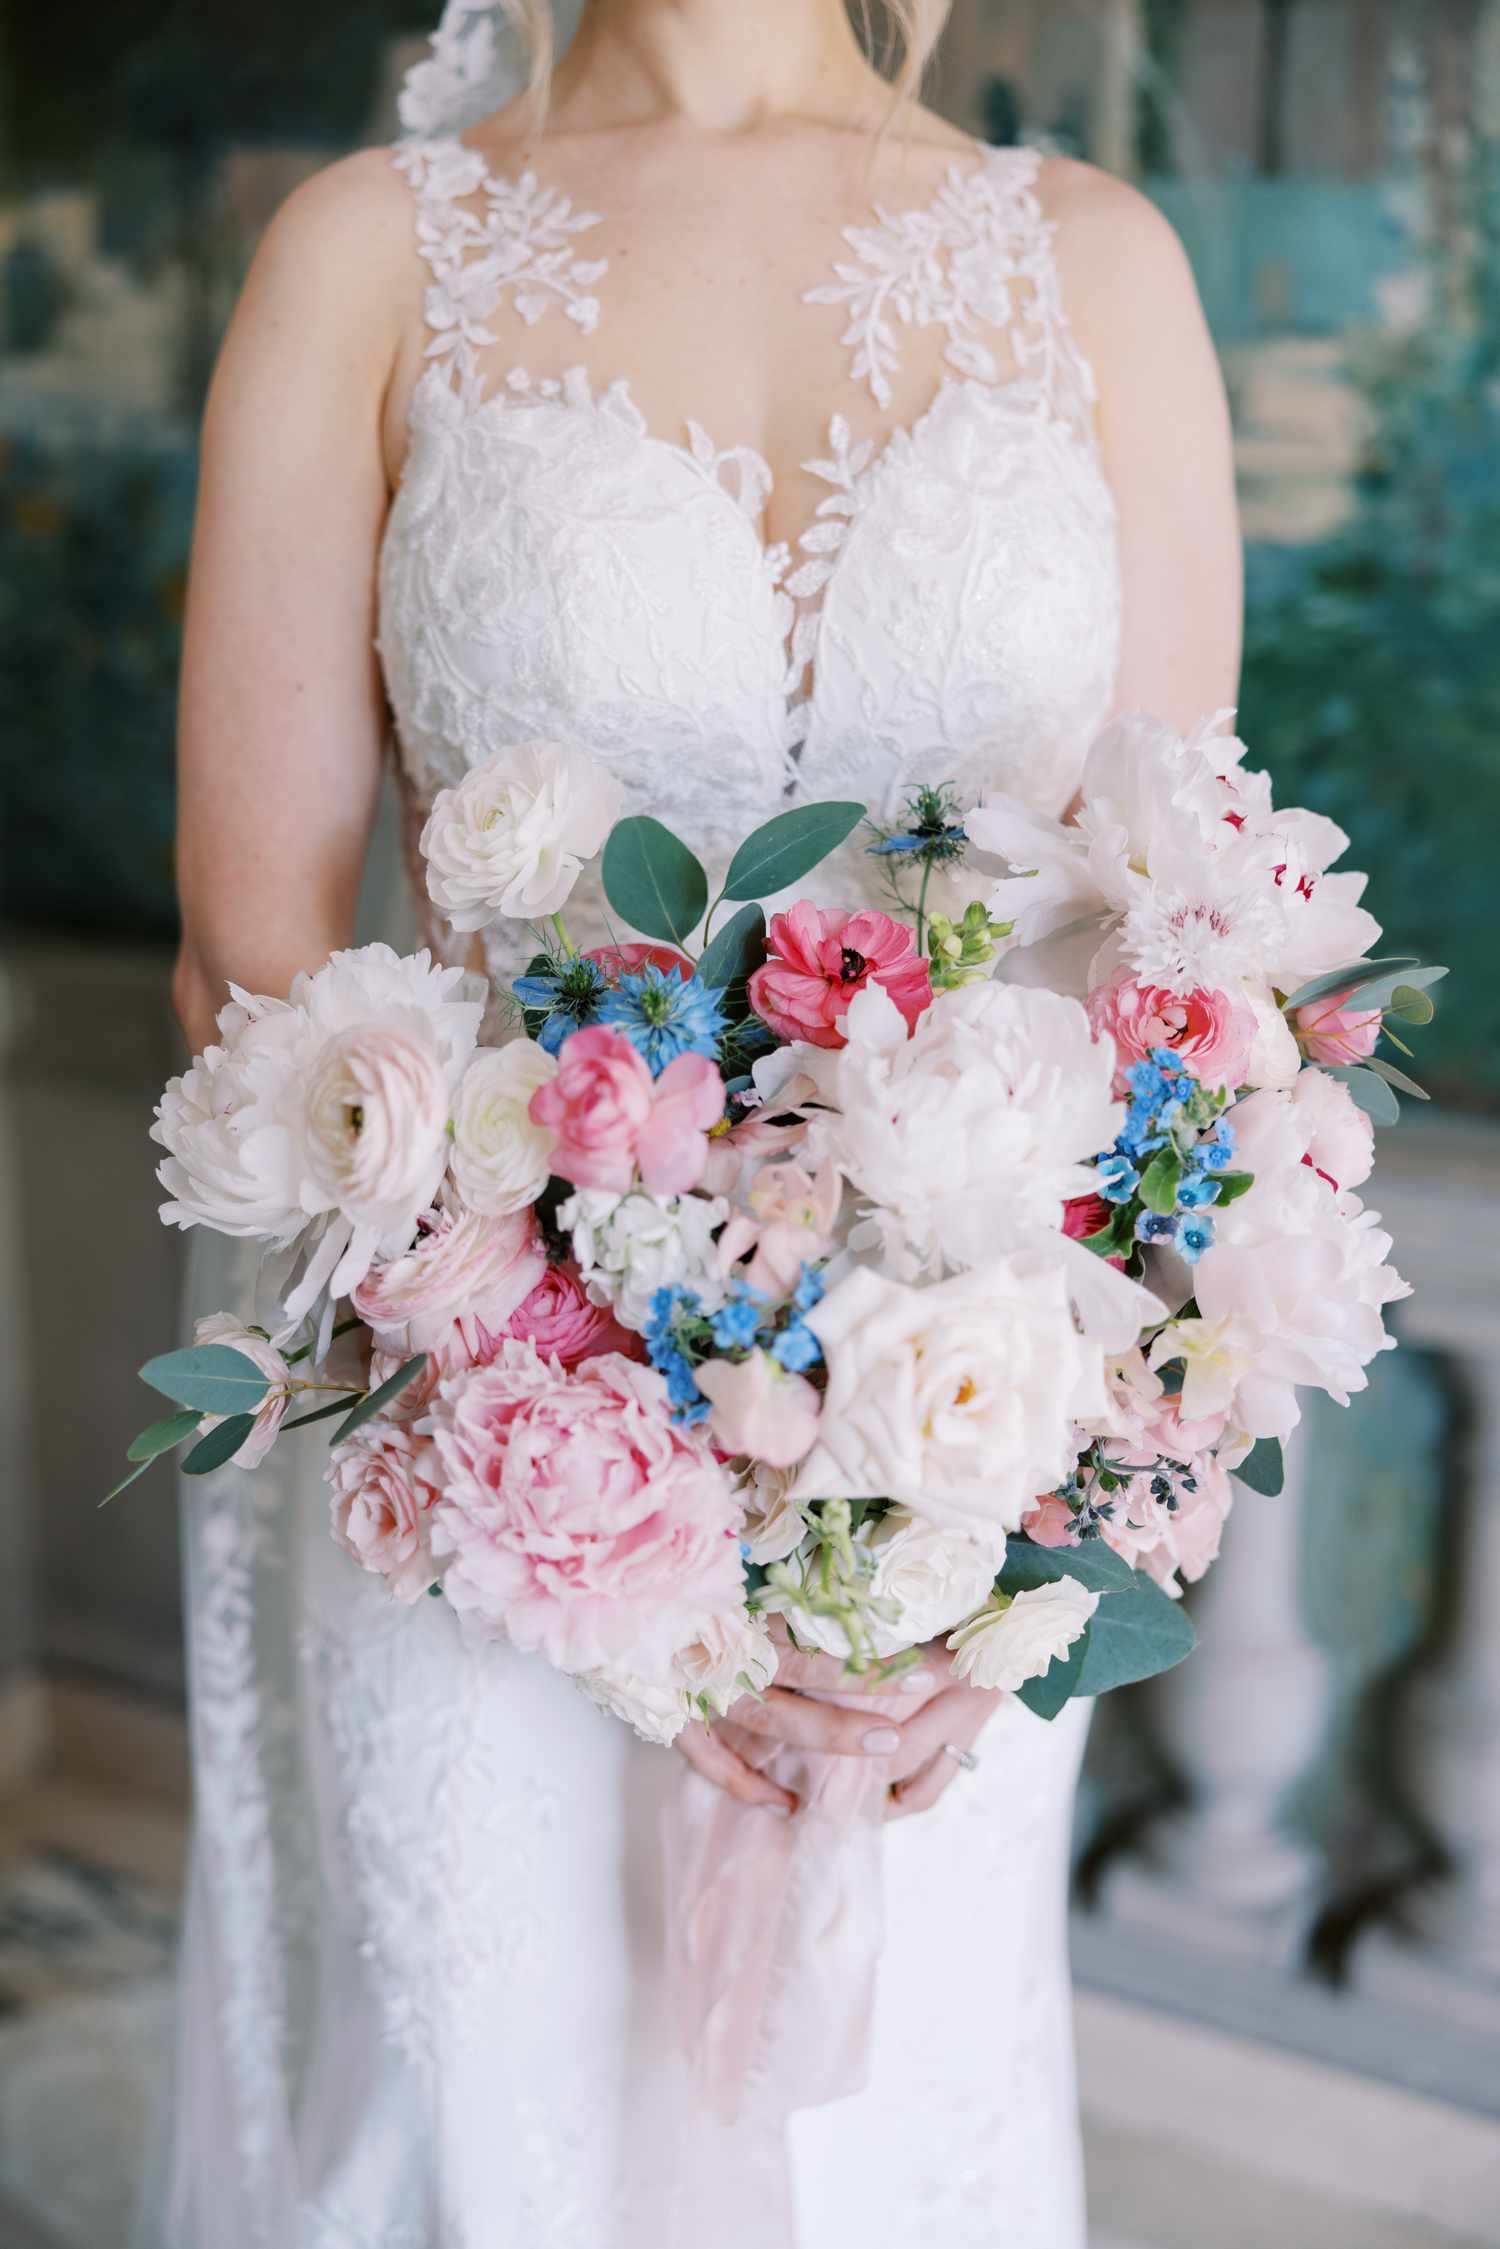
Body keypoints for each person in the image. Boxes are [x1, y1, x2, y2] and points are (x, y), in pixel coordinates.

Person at [141, 2, 1240, 2242]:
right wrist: (618, 1546)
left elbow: (1180, 964)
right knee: (496, 2147)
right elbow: (250, 975)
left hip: (950, 1489)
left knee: (895, 2155)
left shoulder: (1099, 263)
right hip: (493, 1481)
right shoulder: (372, 252)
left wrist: (1019, 1547)